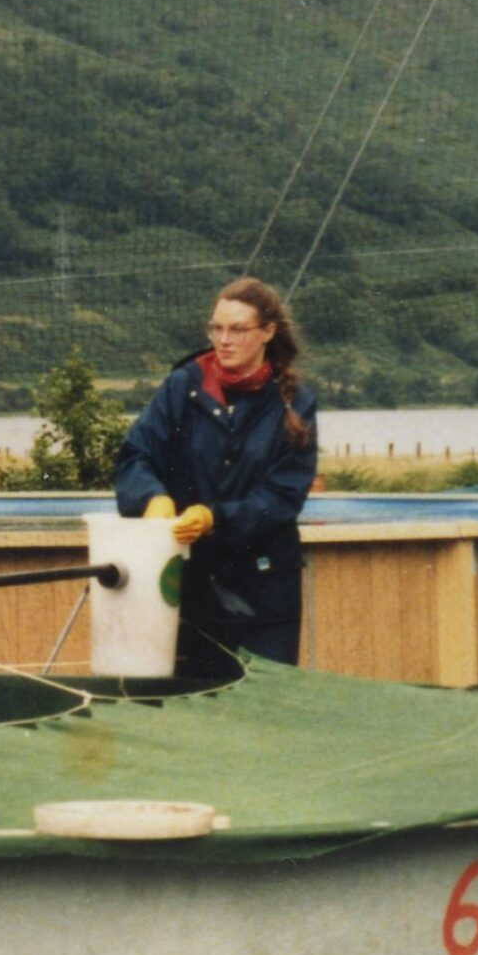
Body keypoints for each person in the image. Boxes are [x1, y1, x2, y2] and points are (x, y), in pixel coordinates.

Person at [114, 276, 319, 668]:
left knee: (264, 714)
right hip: (190, 587)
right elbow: (135, 455)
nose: (224, 339)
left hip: (264, 595)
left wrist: (215, 517)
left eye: (238, 329)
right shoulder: (181, 387)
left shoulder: (296, 403)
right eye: (217, 328)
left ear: (267, 333)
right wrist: (150, 498)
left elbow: (282, 497)